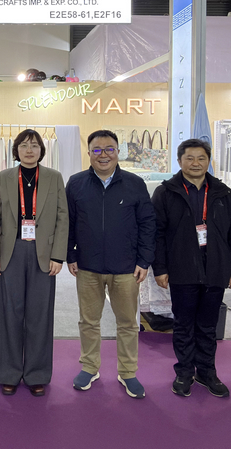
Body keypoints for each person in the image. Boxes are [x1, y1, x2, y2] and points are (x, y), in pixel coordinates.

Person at [65, 130, 155, 398]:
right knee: (88, 321)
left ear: (118, 152)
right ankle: (89, 367)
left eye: (109, 149)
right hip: (88, 266)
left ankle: (127, 372)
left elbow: (147, 224)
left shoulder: (135, 183)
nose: (103, 155)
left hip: (126, 267)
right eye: (97, 150)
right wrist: (70, 254)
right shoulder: (76, 183)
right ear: (89, 153)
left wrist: (144, 260)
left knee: (127, 323)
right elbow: (68, 222)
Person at [152, 139, 231, 398]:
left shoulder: (224, 193)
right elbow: (157, 234)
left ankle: (206, 371)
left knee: (207, 326)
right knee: (183, 325)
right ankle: (184, 372)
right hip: (181, 268)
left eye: (201, 158)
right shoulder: (165, 193)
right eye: (189, 158)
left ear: (208, 161)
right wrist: (160, 268)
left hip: (216, 267)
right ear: (179, 161)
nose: (195, 163)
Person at [0, 129, 68, 397]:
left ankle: (37, 374)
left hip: (42, 254)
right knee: (8, 314)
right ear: (16, 150)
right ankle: (8, 373)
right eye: (24, 145)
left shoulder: (54, 177)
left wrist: (58, 255)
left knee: (39, 315)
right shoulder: (4, 177)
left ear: (41, 150)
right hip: (10, 252)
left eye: (34, 145)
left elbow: (62, 217)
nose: (29, 150)